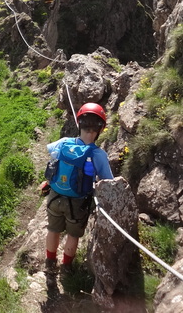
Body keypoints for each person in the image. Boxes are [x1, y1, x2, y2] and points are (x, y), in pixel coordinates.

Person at [39, 102, 113, 272]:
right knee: (73, 235)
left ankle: (50, 263)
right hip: (77, 203)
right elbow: (108, 181)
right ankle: (66, 267)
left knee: (53, 229)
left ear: (79, 123)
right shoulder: (98, 154)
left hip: (55, 196)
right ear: (101, 129)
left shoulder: (64, 142)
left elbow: (49, 151)